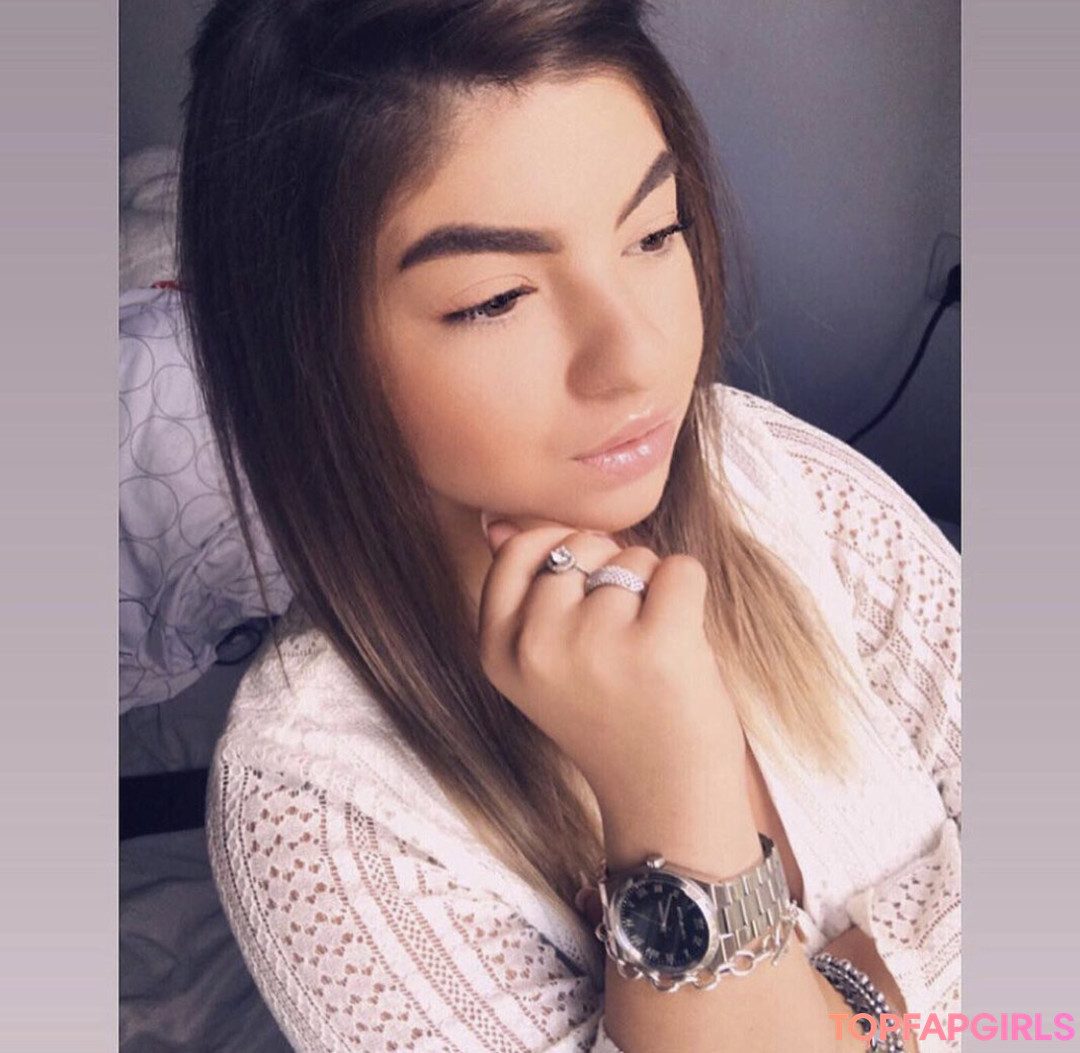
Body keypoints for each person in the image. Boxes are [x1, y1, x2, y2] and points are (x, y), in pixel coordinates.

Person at [179, 1, 960, 1050]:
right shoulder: (315, 807)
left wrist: (851, 1016)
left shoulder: (773, 475)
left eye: (654, 234)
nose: (637, 357)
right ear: (306, 355)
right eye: (496, 299)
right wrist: (669, 791)